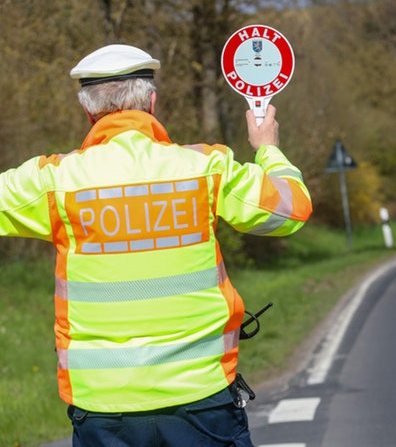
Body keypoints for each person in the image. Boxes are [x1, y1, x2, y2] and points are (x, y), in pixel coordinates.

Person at [0, 44, 312, 446]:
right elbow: (291, 210)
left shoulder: (54, 181)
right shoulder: (205, 168)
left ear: (88, 110)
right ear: (152, 101)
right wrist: (267, 146)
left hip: (104, 407)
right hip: (200, 397)